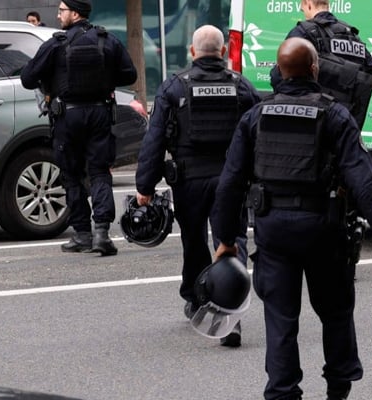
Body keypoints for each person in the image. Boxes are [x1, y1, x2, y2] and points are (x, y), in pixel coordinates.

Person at [211, 37, 372, 400]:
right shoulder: (334, 114)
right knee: (335, 313)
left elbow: (230, 183)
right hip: (324, 230)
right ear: (315, 69)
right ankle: (338, 388)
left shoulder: (255, 116)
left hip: (274, 232)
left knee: (281, 320)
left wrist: (225, 239)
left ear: (279, 71)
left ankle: (284, 391)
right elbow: (363, 179)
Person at [135, 25, 261, 347]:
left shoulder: (174, 88)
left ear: (193, 52)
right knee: (230, 242)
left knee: (194, 242)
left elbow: (155, 139)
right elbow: (258, 136)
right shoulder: (242, 87)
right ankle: (229, 313)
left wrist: (145, 186)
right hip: (230, 181)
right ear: (222, 51)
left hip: (189, 182)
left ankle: (196, 298)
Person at [21, 0, 137, 256]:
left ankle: (82, 234)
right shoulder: (108, 40)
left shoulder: (56, 43)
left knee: (71, 174)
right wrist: (104, 77)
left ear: (74, 13)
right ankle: (102, 234)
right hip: (99, 113)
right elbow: (130, 75)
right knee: (99, 172)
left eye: (62, 10)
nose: (59, 14)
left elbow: (27, 79)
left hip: (67, 116)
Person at [270, 0, 372, 129]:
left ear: (308, 4)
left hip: (312, 123)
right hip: (346, 125)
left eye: (303, 10)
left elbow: (278, 76)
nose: (304, 14)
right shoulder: (352, 36)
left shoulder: (304, 32)